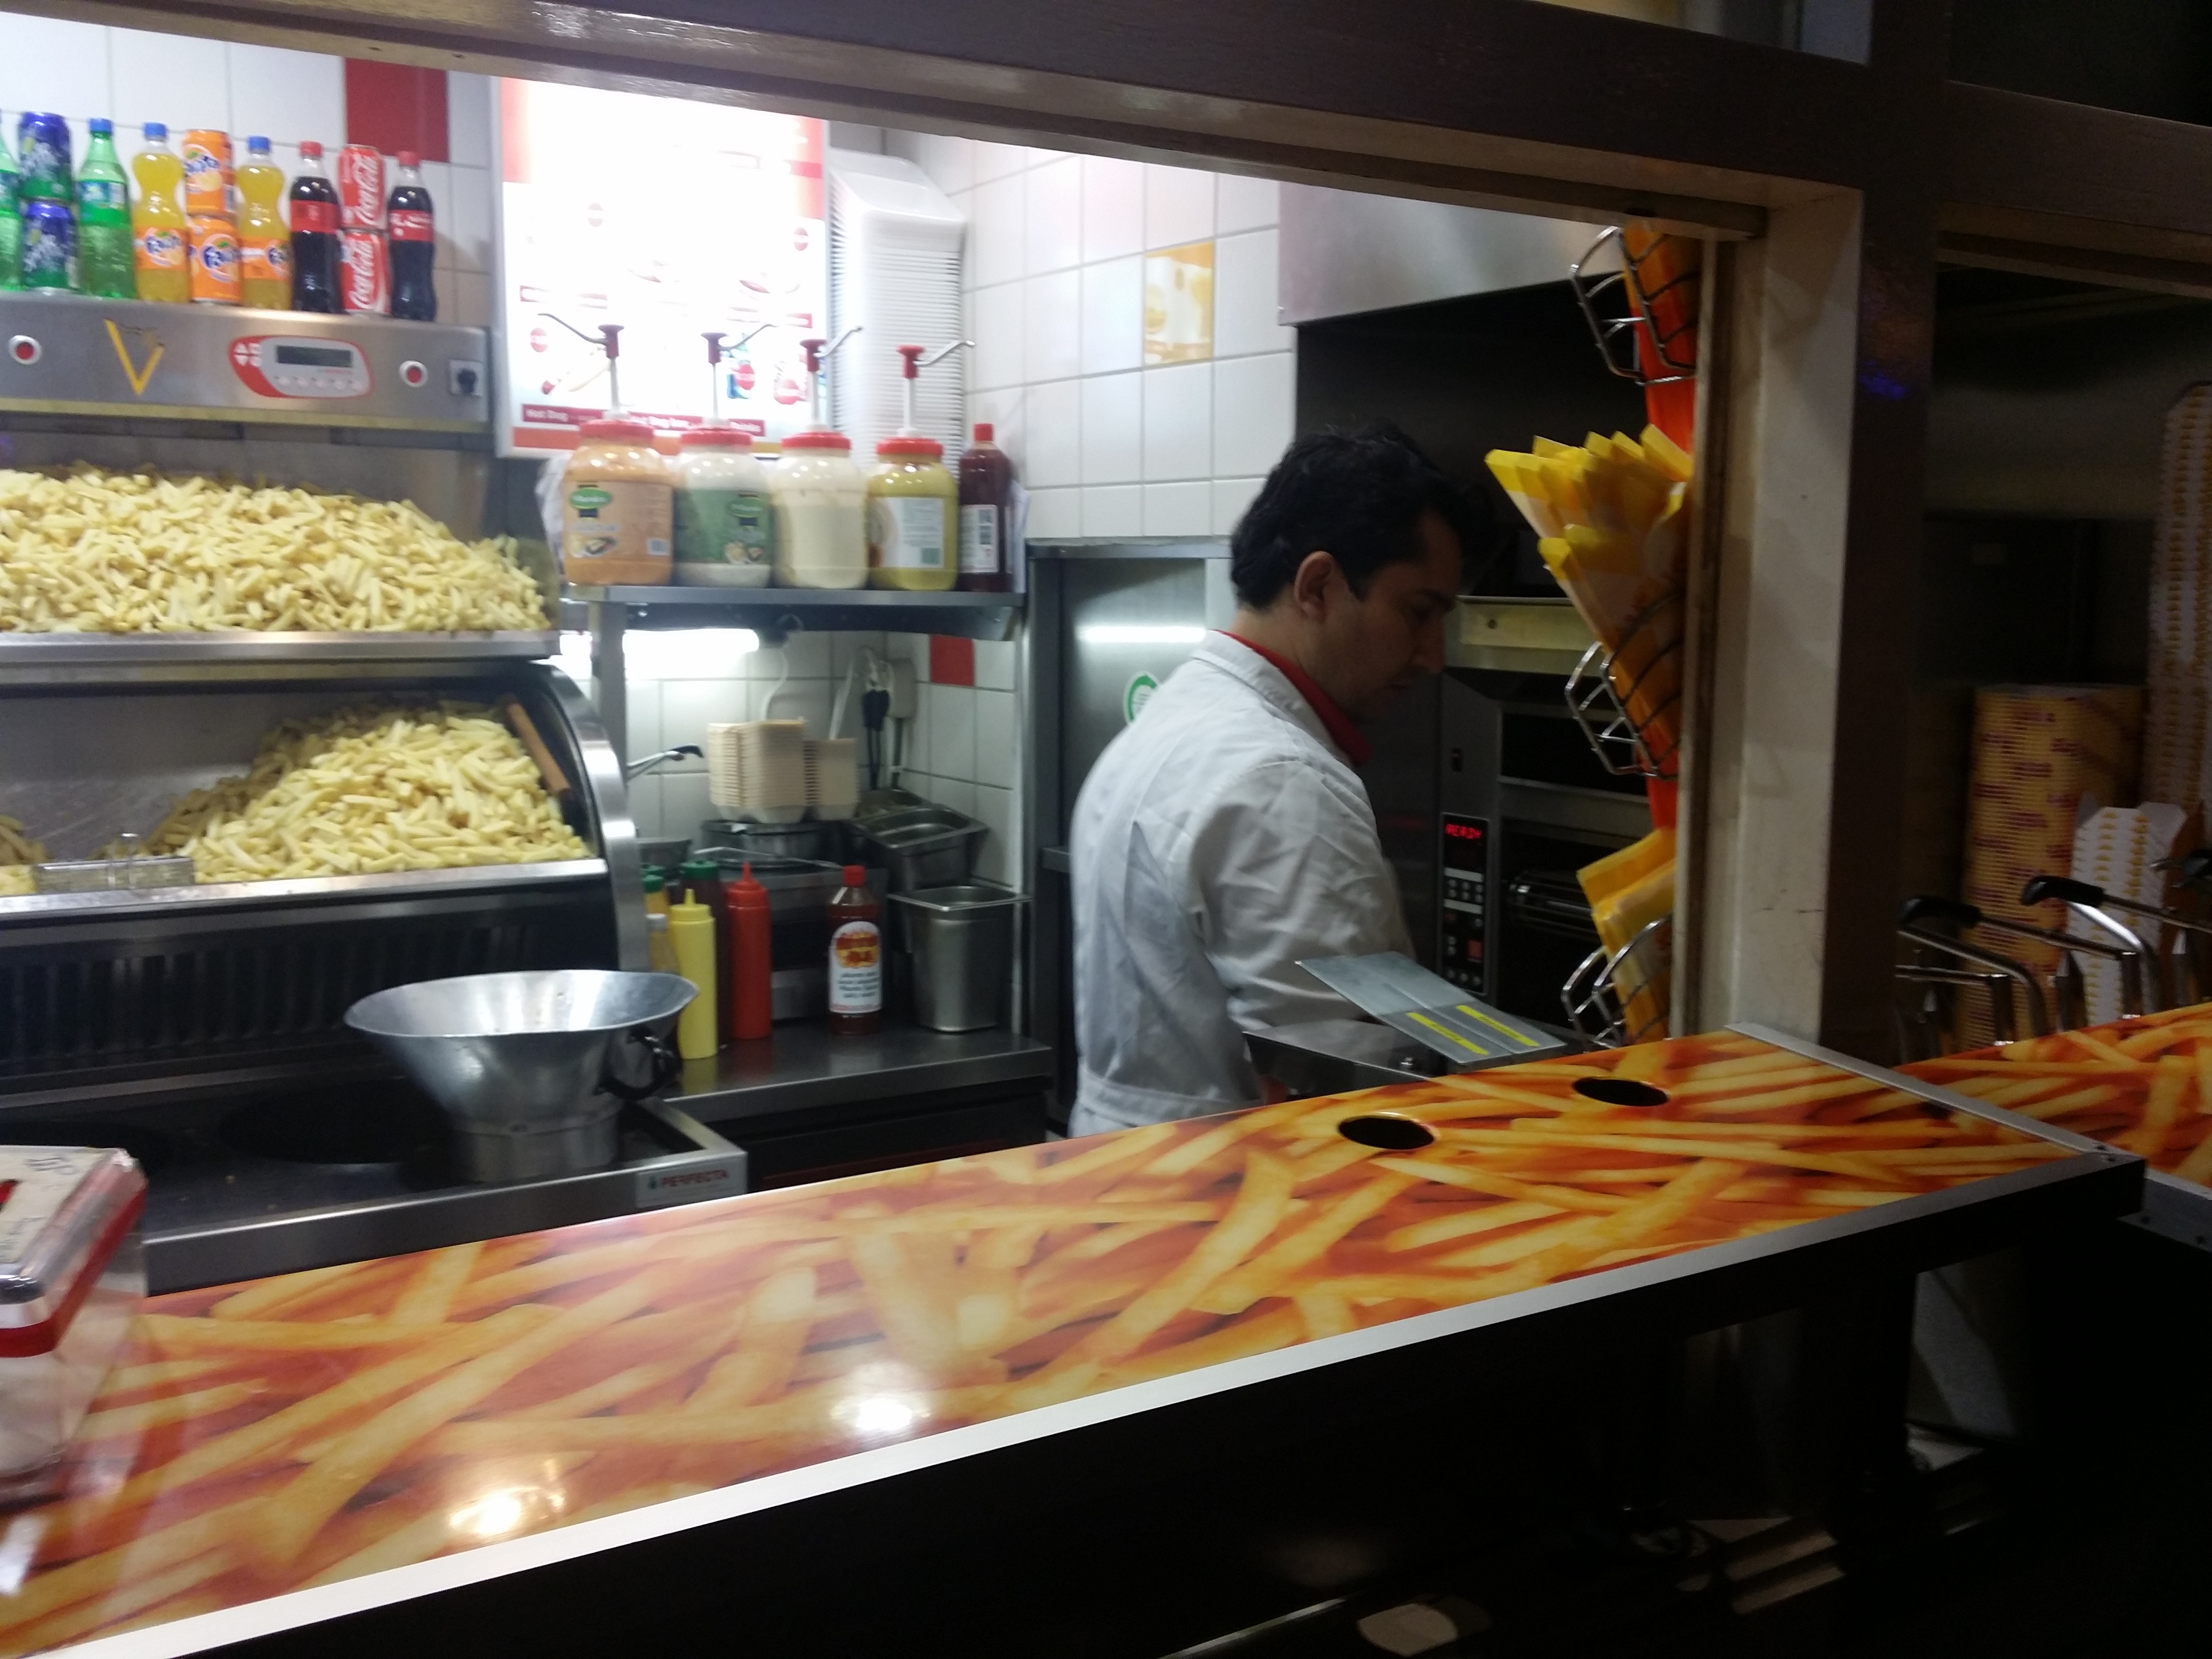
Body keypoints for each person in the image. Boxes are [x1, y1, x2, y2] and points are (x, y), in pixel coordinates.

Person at [1069, 424, 1489, 1137]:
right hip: (1228, 1182)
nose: (1431, 657)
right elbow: (1336, 1087)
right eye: (1418, 613)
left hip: (1128, 1162)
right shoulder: (1283, 781)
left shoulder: (1169, 722)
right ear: (1318, 586)